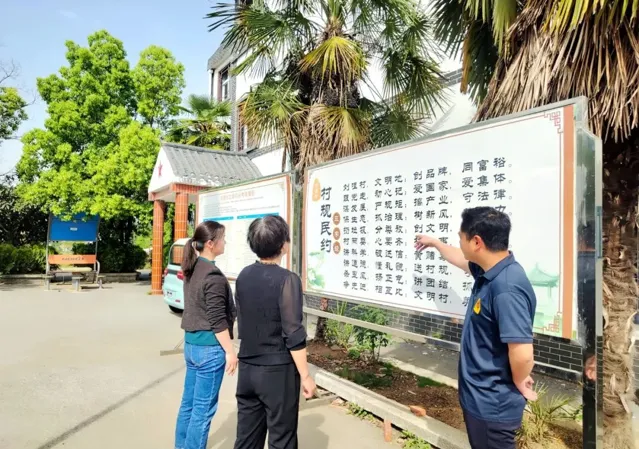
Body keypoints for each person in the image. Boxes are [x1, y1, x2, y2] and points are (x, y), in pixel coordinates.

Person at [415, 206, 537, 449]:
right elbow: (460, 259)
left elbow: (523, 354)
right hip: (481, 399)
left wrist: (520, 378)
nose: (459, 243)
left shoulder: (506, 288)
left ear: (477, 242)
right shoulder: (490, 270)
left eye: (461, 238)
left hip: (492, 405)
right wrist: (436, 244)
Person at [233, 215, 316, 449]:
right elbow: (293, 332)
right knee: (282, 439)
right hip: (278, 373)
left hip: (247, 369)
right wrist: (306, 376)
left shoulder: (243, 276)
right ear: (283, 245)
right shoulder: (288, 280)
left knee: (247, 439)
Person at [175, 221, 238, 449]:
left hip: (191, 345)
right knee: (202, 411)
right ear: (211, 244)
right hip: (209, 349)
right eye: (223, 238)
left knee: (189, 405)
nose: (225, 242)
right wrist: (230, 352)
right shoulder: (213, 276)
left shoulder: (193, 268)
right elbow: (217, 320)